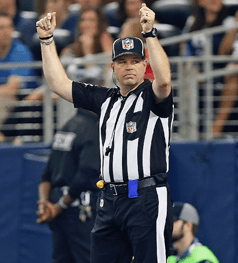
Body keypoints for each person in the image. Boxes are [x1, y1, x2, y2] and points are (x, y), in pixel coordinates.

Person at [36, 3, 174, 262]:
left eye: (135, 61)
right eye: (122, 61)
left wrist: (150, 34)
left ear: (145, 64)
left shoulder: (153, 96)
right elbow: (58, 84)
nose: (129, 66)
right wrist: (46, 40)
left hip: (145, 196)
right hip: (109, 198)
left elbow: (164, 81)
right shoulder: (105, 99)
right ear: (112, 67)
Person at [36, 108, 100, 263]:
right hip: (79, 211)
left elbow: (47, 175)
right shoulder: (92, 129)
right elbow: (86, 175)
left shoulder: (65, 127)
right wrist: (58, 206)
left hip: (58, 208)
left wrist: (44, 204)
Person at [0, 11, 38, 142]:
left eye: (9, 27)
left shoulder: (20, 51)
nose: (6, 31)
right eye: (1, 28)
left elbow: (12, 89)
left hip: (23, 100)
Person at [60, 7, 114, 85]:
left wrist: (88, 51)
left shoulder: (106, 44)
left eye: (91, 20)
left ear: (99, 24)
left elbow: (105, 79)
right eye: (83, 20)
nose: (86, 24)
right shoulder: (70, 49)